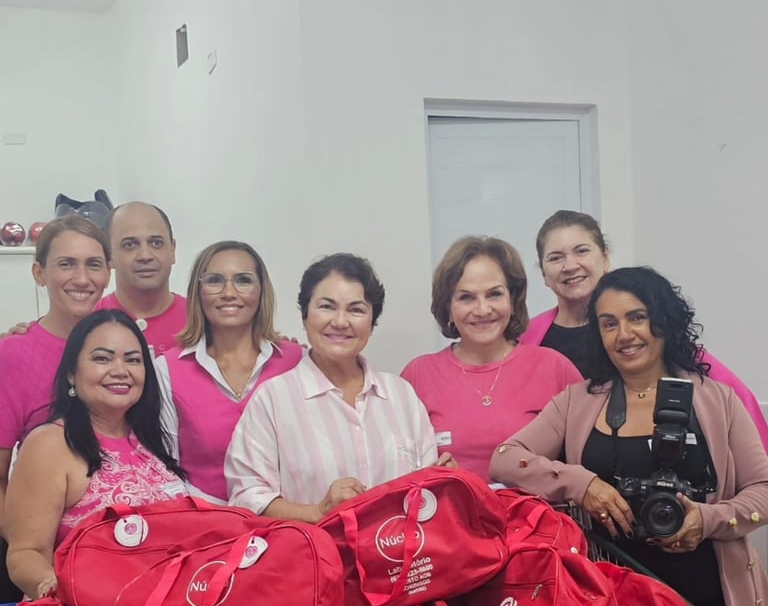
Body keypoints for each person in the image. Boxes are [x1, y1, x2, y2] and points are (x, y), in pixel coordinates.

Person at [490, 266, 768, 606]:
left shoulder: (716, 400)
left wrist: (708, 520)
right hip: (612, 599)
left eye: (637, 317)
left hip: (709, 590)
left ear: (663, 320)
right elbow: (504, 460)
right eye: (608, 324)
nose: (624, 335)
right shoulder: (579, 401)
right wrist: (582, 484)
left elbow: (764, 489)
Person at [226, 253, 452, 522]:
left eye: (356, 310)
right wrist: (317, 512)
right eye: (327, 306)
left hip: (401, 559)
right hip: (313, 558)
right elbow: (247, 497)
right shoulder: (273, 400)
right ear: (305, 315)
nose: (341, 322)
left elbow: (425, 490)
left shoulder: (401, 395)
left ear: (372, 322)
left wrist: (444, 482)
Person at [521, 209, 768, 450]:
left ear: (605, 258)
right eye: (555, 257)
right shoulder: (527, 339)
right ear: (543, 273)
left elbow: (734, 399)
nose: (570, 265)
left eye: (581, 251)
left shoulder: (651, 334)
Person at [4, 310, 187, 599]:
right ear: (71, 374)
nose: (120, 370)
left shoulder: (151, 439)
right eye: (102, 358)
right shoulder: (49, 444)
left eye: (133, 359)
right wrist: (67, 596)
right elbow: (25, 555)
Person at [401, 236, 581, 479]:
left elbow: (587, 460)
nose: (483, 310)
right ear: (447, 306)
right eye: (466, 297)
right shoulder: (418, 375)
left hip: (537, 515)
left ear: (513, 299)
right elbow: (397, 471)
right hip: (448, 515)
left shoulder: (554, 367)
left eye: (494, 294)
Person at [0, 215, 111, 601]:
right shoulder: (14, 355)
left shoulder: (124, 343)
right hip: (52, 566)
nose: (82, 279)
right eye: (66, 263)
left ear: (108, 273)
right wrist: (29, 550)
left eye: (93, 264)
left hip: (126, 554)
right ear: (39, 272)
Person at [155, 240, 302, 503]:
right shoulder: (167, 369)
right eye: (214, 280)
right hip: (206, 524)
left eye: (243, 280)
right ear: (197, 291)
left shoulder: (297, 360)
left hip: (289, 522)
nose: (229, 293)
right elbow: (166, 470)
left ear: (261, 291)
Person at [98, 201, 187, 355]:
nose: (145, 256)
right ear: (109, 256)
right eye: (130, 245)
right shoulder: (91, 322)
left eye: (156, 243)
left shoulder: (201, 321)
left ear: (173, 251)